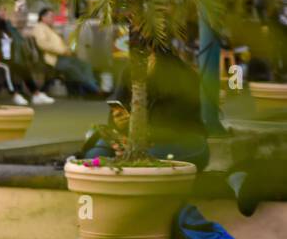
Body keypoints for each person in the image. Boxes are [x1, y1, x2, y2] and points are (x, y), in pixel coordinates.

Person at [78, 43, 209, 170]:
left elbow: (176, 130)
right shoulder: (130, 71)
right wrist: (118, 122)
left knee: (142, 161)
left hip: (179, 141)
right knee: (94, 156)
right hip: (132, 139)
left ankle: (125, 176)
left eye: (148, 57)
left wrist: (136, 130)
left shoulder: (182, 76)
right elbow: (115, 112)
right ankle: (107, 174)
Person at [29, 7, 102, 96]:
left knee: (85, 64)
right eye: (51, 16)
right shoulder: (39, 27)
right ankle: (94, 90)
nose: (53, 19)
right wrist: (63, 51)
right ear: (43, 17)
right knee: (74, 68)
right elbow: (42, 44)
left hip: (60, 57)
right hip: (53, 59)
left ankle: (92, 87)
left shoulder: (48, 28)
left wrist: (68, 50)